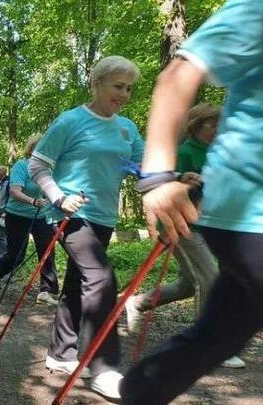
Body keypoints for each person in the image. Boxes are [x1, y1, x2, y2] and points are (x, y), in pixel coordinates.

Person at [121, 2, 263, 403]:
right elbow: (179, 74)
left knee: (217, 335)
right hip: (246, 211)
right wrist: (158, 178)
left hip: (229, 216)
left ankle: (142, 390)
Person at [29, 55, 144, 400]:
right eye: (117, 86)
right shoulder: (71, 121)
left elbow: (143, 169)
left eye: (129, 88)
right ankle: (103, 368)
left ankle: (60, 354)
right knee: (102, 280)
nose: (124, 94)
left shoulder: (128, 128)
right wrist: (59, 196)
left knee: (79, 283)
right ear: (96, 83)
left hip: (104, 217)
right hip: (69, 215)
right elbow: (38, 164)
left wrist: (174, 179)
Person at [124, 104, 245, 369]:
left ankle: (135, 303)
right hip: (183, 227)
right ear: (197, 125)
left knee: (187, 285)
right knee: (210, 278)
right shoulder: (183, 153)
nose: (216, 129)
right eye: (211, 124)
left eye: (219, 125)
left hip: (212, 228)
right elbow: (157, 187)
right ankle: (209, 345)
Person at [0, 135, 58, 306]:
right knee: (16, 255)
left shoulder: (47, 170)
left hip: (40, 216)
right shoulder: (22, 166)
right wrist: (33, 201)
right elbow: (15, 192)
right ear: (33, 149)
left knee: (47, 250)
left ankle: (45, 291)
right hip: (17, 215)